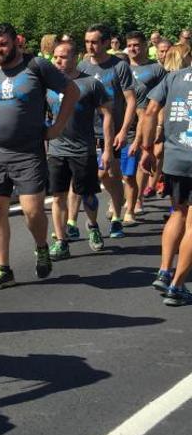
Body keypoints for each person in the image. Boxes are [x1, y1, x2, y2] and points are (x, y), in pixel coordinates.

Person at [0, 23, 80, 290]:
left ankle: (41, 247)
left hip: (28, 152)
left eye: (3, 44)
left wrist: (57, 127)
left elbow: (72, 92)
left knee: (32, 211)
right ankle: (2, 268)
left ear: (15, 42)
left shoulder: (36, 66)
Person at [47, 41, 111, 260]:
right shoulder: (48, 86)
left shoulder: (90, 84)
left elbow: (107, 115)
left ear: (75, 58)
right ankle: (61, 240)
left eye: (63, 57)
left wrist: (107, 149)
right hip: (56, 149)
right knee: (58, 196)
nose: (57, 60)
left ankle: (93, 226)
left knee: (88, 194)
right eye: (55, 56)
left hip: (83, 149)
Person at [141, 59, 192, 306]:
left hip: (176, 158)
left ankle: (164, 270)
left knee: (178, 212)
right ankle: (177, 286)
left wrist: (148, 148)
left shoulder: (174, 77)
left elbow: (150, 111)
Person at [78, 24, 136, 239]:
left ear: (104, 43)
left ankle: (117, 218)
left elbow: (131, 100)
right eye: (87, 42)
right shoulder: (82, 66)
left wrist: (124, 130)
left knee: (110, 173)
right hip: (87, 130)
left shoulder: (119, 66)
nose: (90, 46)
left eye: (94, 42)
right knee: (99, 174)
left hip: (112, 131)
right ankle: (85, 219)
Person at [126, 31, 166, 219]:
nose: (133, 49)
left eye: (136, 45)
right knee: (122, 164)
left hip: (146, 120)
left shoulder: (156, 69)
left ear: (144, 46)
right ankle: (126, 194)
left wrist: (159, 126)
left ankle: (138, 198)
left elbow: (163, 101)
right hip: (124, 121)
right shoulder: (121, 66)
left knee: (142, 159)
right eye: (130, 45)